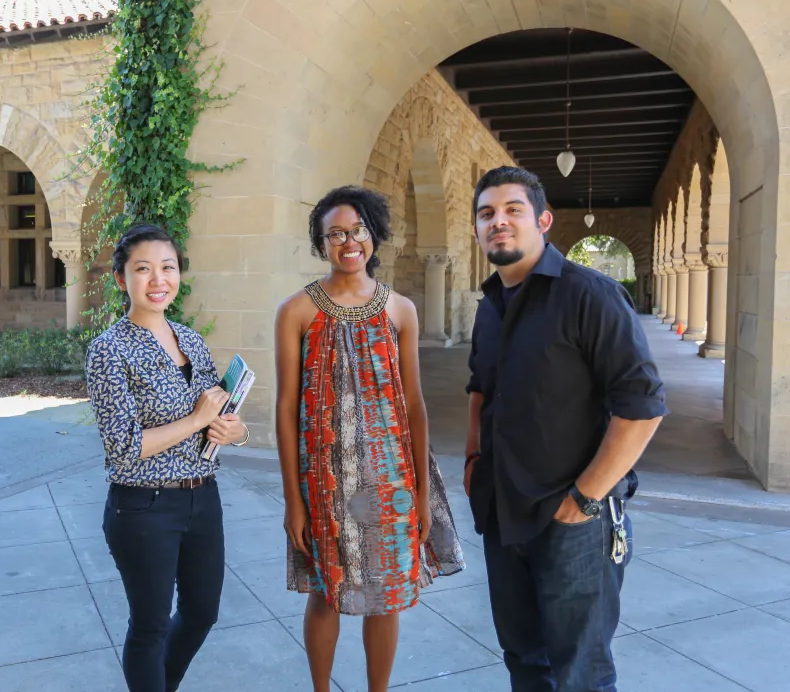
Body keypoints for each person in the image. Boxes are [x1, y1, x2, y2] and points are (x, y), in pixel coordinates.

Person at [464, 166, 668, 692]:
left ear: (544, 221)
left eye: (513, 210)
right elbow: (479, 389)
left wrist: (586, 498)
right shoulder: (490, 306)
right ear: (477, 229)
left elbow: (642, 405)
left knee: (581, 673)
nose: (498, 222)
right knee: (525, 662)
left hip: (574, 520)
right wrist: (472, 460)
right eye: (487, 213)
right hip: (503, 510)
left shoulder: (591, 295)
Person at [274, 185, 465, 692]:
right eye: (334, 233)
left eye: (356, 230)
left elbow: (415, 406)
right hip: (324, 481)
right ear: (321, 244)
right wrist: (293, 500)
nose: (348, 241)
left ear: (373, 236)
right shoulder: (297, 311)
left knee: (388, 594)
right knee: (325, 592)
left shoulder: (400, 310)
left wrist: (423, 493)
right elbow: (285, 409)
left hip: (391, 481)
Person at [85, 223, 249, 692]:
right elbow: (123, 446)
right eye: (143, 269)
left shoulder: (190, 339)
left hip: (203, 498)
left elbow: (220, 407)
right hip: (143, 506)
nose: (158, 279)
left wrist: (233, 430)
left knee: (202, 613)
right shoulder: (108, 351)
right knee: (151, 625)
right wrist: (198, 420)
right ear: (122, 279)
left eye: (168, 267)